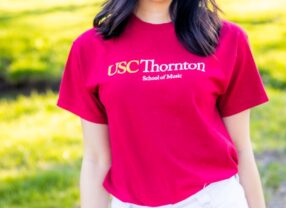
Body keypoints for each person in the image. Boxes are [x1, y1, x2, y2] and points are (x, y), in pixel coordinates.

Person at [56, 0, 270, 207]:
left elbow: (242, 148)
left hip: (213, 199)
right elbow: (96, 159)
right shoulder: (89, 48)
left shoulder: (227, 38)